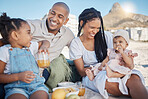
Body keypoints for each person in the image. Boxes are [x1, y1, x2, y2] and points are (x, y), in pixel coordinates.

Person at [69, 8, 148, 99]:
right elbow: (82, 72)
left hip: (114, 67)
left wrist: (124, 59)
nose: (95, 31)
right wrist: (99, 68)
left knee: (134, 78)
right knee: (110, 83)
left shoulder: (106, 36)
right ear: (82, 23)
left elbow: (119, 50)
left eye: (98, 28)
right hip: (92, 74)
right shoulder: (76, 43)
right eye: (92, 27)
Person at [26, 2, 75, 92]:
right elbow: (10, 37)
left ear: (66, 21)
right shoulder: (32, 25)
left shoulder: (68, 34)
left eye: (60, 17)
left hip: (43, 73)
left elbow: (77, 50)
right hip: (24, 71)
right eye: (53, 13)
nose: (54, 18)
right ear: (49, 12)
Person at [0, 13, 50, 99]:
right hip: (15, 88)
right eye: (28, 33)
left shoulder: (30, 46)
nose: (31, 36)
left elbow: (45, 41)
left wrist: (44, 47)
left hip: (37, 86)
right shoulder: (4, 51)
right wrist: (18, 76)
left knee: (42, 96)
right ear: (15, 35)